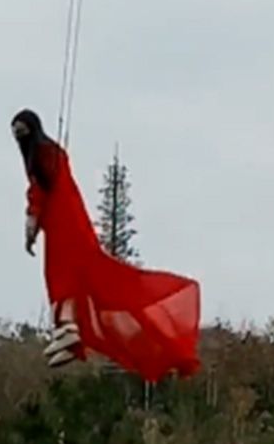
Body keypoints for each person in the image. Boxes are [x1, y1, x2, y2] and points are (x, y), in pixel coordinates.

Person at [12, 108, 201, 382]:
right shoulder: (51, 153)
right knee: (74, 276)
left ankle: (68, 329)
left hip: (63, 222)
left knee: (61, 275)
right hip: (69, 220)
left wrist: (31, 225)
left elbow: (39, 191)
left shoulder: (43, 155)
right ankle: (69, 333)